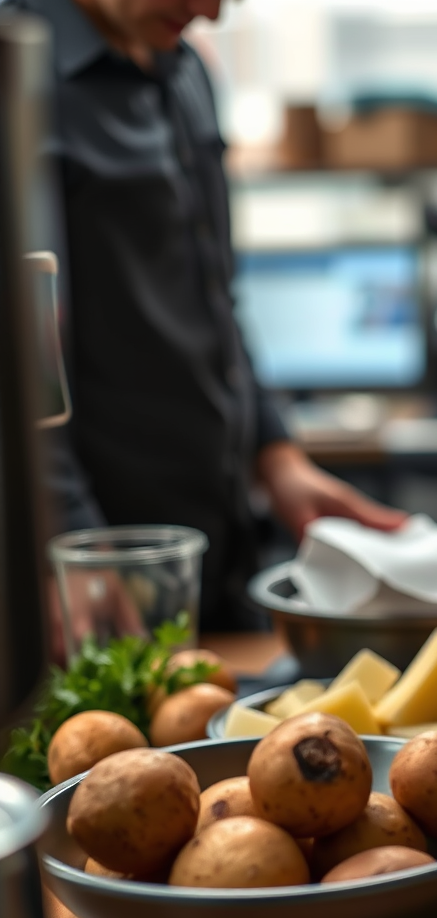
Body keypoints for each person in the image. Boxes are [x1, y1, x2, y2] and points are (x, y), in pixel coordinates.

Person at [10, 0, 406, 632]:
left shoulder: (187, 71)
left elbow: (216, 299)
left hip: (217, 561)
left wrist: (277, 457)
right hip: (93, 587)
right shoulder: (16, 78)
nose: (212, 12)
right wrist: (69, 545)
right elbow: (18, 356)